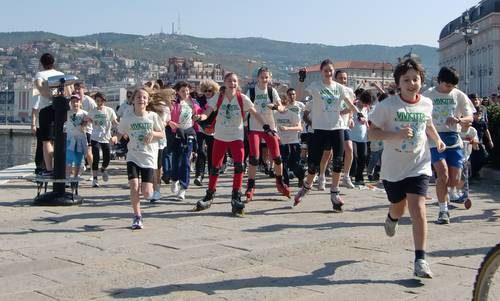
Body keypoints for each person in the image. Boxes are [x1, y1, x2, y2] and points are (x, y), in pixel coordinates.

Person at [368, 58, 445, 278]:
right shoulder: (387, 106)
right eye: (406, 80)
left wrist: (437, 140)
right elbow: (372, 133)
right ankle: (391, 218)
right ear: (398, 83)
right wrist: (396, 135)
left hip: (419, 164)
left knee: (418, 208)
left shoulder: (426, 103)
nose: (412, 83)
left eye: (416, 79)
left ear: (421, 80)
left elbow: (428, 124)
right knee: (398, 208)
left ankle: (420, 259)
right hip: (393, 168)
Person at [194, 72, 267, 215]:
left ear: (237, 83)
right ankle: (209, 195)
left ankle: (236, 196)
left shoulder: (242, 98)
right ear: (225, 83)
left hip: (236, 136)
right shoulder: (218, 97)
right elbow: (207, 112)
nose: (232, 83)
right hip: (220, 136)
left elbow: (255, 113)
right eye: (229, 81)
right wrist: (200, 117)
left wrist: (266, 126)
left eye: (234, 81)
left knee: (239, 166)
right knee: (214, 167)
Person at [294, 59, 360, 212]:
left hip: (336, 127)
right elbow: (298, 96)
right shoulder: (316, 86)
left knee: (338, 161)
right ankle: (306, 187)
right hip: (319, 129)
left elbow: (350, 104)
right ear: (321, 72)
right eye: (326, 70)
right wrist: (301, 79)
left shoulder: (340, 88)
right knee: (313, 165)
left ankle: (334, 192)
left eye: (331, 70)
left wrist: (360, 114)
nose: (329, 73)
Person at [422, 67, 474, 224]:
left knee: (454, 179)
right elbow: (420, 115)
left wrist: (459, 120)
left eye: (453, 85)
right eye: (447, 85)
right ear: (440, 81)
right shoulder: (428, 94)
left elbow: (470, 116)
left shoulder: (459, 95)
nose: (450, 88)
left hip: (454, 139)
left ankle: (452, 191)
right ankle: (443, 211)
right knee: (442, 174)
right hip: (435, 139)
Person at [117, 88, 165, 230]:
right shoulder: (127, 117)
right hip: (133, 155)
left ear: (147, 100)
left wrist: (153, 134)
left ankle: (149, 194)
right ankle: (137, 216)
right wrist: (114, 138)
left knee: (147, 193)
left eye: (144, 97)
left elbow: (162, 133)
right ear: (133, 100)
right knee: (134, 186)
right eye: (138, 97)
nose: (141, 99)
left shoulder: (153, 116)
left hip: (149, 157)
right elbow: (119, 133)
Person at [245, 67, 290, 202]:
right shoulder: (251, 91)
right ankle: (250, 186)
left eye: (267, 77)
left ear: (269, 78)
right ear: (257, 78)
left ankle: (280, 182)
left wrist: (276, 107)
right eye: (262, 77)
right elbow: (249, 108)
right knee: (254, 157)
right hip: (255, 127)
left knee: (277, 157)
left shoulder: (272, 91)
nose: (264, 80)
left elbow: (281, 108)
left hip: (270, 128)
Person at [167, 81, 203, 200]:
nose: (186, 93)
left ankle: (183, 188)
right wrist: (169, 122)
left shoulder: (194, 102)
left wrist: (198, 116)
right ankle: (174, 179)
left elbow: (199, 114)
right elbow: (165, 116)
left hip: (189, 133)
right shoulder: (173, 103)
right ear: (177, 92)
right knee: (176, 160)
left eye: (187, 90)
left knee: (186, 161)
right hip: (176, 133)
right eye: (183, 91)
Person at [32, 53, 65, 177]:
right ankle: (60, 167)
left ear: (41, 63)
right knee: (59, 139)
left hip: (46, 109)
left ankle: (49, 169)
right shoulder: (61, 74)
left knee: (46, 140)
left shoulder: (40, 74)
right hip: (61, 108)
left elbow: (40, 88)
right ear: (53, 62)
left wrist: (50, 94)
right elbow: (68, 91)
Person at [274, 88, 305, 187]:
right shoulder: (274, 115)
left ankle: (301, 176)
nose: (282, 105)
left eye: (284, 103)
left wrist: (287, 128)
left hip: (293, 142)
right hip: (282, 143)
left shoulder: (293, 114)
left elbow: (299, 127)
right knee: (284, 164)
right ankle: (285, 185)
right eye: (280, 103)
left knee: (294, 165)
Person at [87, 92, 118, 188]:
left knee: (107, 158)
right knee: (95, 157)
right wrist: (87, 121)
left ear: (104, 101)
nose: (99, 103)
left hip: (106, 137)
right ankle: (95, 179)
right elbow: (88, 119)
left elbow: (115, 122)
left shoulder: (109, 111)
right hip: (95, 136)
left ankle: (103, 169)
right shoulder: (92, 111)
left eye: (101, 101)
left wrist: (120, 129)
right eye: (97, 101)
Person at [147, 88, 173, 202]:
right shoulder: (147, 107)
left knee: (156, 166)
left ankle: (156, 189)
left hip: (159, 140)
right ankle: (154, 188)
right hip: (150, 140)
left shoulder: (165, 108)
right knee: (153, 166)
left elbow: (165, 122)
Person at [193, 79, 219, 186]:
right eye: (206, 91)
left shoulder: (218, 100)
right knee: (201, 151)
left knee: (212, 154)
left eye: (210, 90)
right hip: (200, 128)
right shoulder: (199, 99)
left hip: (213, 130)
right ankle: (199, 175)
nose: (208, 93)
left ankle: (211, 175)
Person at [336, 70, 356, 189]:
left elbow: (351, 108)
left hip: (344, 125)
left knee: (349, 149)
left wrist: (351, 118)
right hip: (332, 125)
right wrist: (341, 112)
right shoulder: (333, 91)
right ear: (335, 79)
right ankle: (321, 174)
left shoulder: (349, 92)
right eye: (340, 78)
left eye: (344, 78)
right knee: (328, 153)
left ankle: (346, 176)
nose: (343, 80)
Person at [350, 90, 373, 185]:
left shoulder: (366, 108)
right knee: (354, 157)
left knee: (363, 157)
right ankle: (351, 175)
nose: (365, 105)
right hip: (352, 136)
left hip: (363, 137)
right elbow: (348, 116)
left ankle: (359, 178)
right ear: (360, 99)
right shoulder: (352, 106)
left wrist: (367, 125)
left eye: (366, 104)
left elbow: (367, 121)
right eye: (364, 103)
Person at [74, 82, 97, 175]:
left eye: (78, 89)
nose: (76, 91)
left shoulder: (90, 101)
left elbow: (95, 114)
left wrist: (85, 123)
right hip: (76, 131)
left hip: (87, 130)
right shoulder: (73, 100)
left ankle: (92, 171)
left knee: (88, 152)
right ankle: (79, 169)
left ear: (84, 89)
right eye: (75, 89)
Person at [65, 94, 89, 178]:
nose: (75, 104)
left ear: (80, 102)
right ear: (70, 103)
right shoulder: (68, 113)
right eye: (73, 102)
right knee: (69, 159)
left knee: (78, 160)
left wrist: (85, 123)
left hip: (80, 140)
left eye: (77, 102)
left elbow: (90, 122)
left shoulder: (85, 113)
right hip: (69, 139)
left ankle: (75, 177)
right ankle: (67, 177)